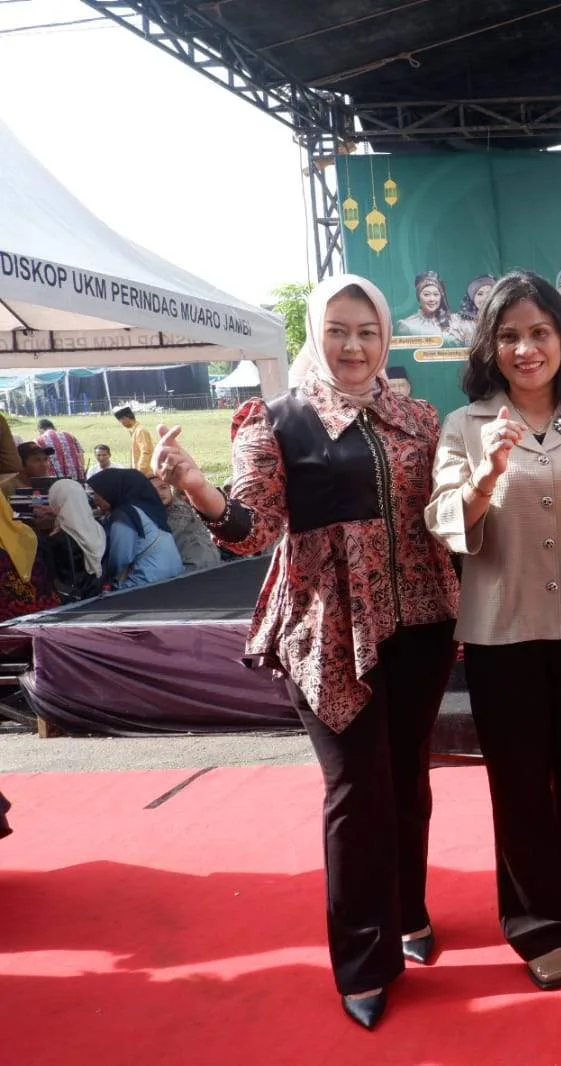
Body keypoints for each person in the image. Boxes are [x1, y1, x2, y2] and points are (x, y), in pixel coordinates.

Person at [152, 274, 459, 1030]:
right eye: (337, 331)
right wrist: (200, 490)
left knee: (408, 780)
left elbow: (447, 512)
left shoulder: (418, 417)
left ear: (386, 339)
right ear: (315, 336)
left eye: (367, 332)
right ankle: (364, 961)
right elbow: (254, 525)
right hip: (327, 631)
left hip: (420, 622)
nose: (353, 346)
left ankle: (410, 912)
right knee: (356, 792)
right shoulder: (278, 420)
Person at [427, 272, 561, 990]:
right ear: (491, 345)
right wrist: (485, 476)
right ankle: (536, 921)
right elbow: (445, 520)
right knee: (520, 784)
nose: (526, 348)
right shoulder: (464, 426)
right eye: (510, 335)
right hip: (501, 633)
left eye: (540, 332)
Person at [85, 469, 184, 590]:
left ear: (110, 492)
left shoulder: (124, 516)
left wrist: (106, 576)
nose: (94, 499)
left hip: (146, 581)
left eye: (97, 494)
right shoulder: (145, 508)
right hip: (175, 573)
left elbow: (121, 558)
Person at [152, 479, 222, 572]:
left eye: (163, 488)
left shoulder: (179, 509)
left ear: (170, 489)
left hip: (198, 565)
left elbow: (164, 540)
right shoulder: (161, 511)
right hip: (198, 563)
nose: (159, 493)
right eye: (153, 491)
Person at [395, 270, 465, 344]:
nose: (432, 299)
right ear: (418, 297)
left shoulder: (454, 322)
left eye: (436, 294)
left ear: (441, 297)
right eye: (426, 294)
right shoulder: (408, 326)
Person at [115, 407, 154, 475]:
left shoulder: (140, 431)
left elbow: (146, 452)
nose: (122, 424)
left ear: (126, 418)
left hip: (145, 474)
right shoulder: (134, 431)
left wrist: (140, 471)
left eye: (121, 421)